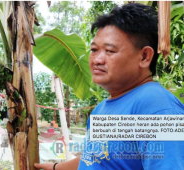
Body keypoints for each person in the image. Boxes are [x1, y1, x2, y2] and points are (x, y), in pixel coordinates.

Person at [34, 3, 184, 170]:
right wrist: (55, 167)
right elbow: (97, 158)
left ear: (144, 56)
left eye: (110, 51)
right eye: (94, 49)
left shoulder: (157, 107)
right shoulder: (102, 109)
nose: (97, 60)